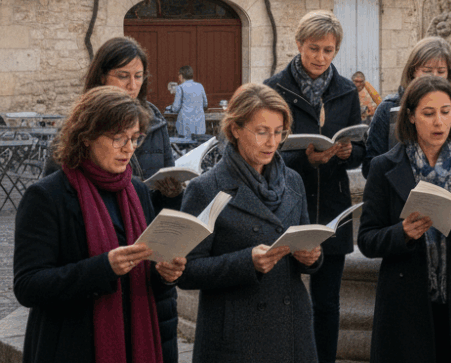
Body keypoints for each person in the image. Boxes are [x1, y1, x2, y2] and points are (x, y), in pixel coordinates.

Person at [13, 86, 185, 363]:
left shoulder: (137, 191)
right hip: (71, 345)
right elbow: (28, 285)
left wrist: (165, 273)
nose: (129, 149)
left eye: (134, 139)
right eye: (118, 138)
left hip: (134, 340)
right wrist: (103, 268)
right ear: (86, 137)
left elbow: (145, 270)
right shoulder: (47, 196)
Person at [358, 75, 451, 363]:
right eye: (428, 113)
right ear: (410, 116)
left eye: (445, 112)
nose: (439, 122)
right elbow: (366, 240)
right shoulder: (383, 166)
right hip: (406, 303)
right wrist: (402, 233)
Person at [177, 83, 322, 363]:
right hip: (236, 338)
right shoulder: (205, 189)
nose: (272, 142)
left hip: (291, 329)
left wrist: (311, 257)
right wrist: (246, 262)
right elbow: (187, 271)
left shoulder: (292, 181)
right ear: (235, 129)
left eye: (279, 132)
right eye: (262, 132)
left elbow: (305, 243)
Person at [263, 10, 363, 363]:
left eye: (329, 50)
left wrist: (347, 152)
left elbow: (359, 152)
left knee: (327, 303)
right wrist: (307, 160)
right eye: (314, 49)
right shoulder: (274, 89)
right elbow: (265, 155)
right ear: (299, 45)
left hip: (331, 210)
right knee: (279, 298)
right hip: (285, 206)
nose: (321, 58)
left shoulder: (347, 91)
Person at [43, 37, 183, 210]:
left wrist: (173, 193)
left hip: (148, 222)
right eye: (123, 76)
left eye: (138, 76)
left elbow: (167, 175)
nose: (132, 85)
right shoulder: (80, 124)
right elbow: (55, 193)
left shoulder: (155, 120)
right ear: (102, 77)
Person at [364, 36, 451, 178]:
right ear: (413, 71)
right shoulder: (388, 108)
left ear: (449, 73)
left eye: (441, 71)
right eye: (427, 71)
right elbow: (370, 166)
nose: (435, 77)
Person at [166, 65, 208, 138]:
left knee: (186, 145)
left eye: (179, 74)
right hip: (199, 123)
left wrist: (170, 108)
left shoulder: (180, 88)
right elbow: (205, 104)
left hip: (185, 124)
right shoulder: (200, 86)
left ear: (182, 75)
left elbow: (176, 108)